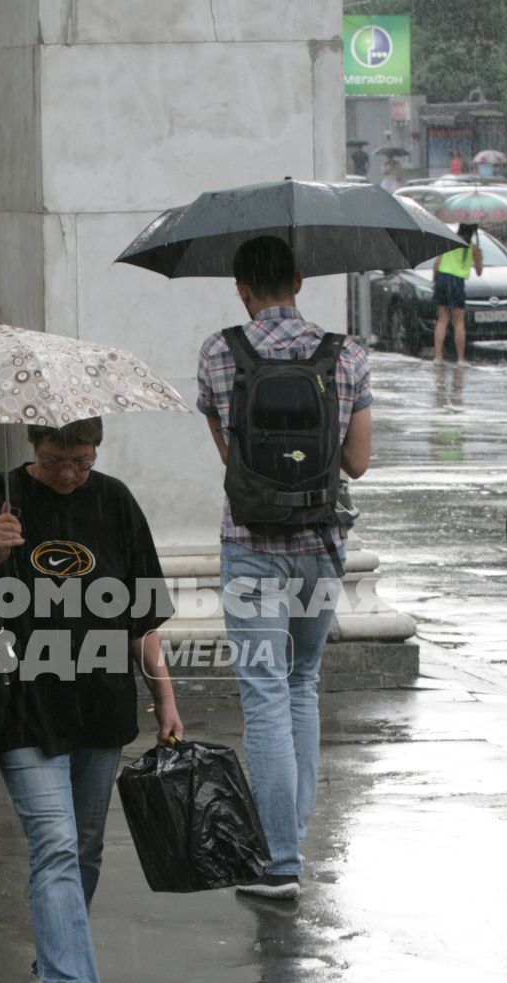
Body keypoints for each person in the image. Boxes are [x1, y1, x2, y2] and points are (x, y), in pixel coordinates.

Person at [0, 418, 183, 983]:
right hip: (20, 704)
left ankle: (54, 963)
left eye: (82, 460)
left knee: (87, 846)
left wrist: (165, 697)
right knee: (57, 845)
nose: (70, 473)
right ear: (34, 450)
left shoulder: (116, 500)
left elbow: (142, 614)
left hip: (100, 706)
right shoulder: (0, 496)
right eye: (57, 460)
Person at [196, 235, 374, 901]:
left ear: (242, 288)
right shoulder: (347, 355)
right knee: (302, 683)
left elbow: (229, 459)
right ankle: (289, 840)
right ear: (299, 280)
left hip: (250, 545)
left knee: (265, 693)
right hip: (321, 545)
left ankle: (279, 861)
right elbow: (357, 463)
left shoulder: (220, 353)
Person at [432, 222, 482, 365]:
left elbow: (437, 263)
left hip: (442, 279)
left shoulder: (448, 241)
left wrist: (434, 280)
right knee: (459, 322)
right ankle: (460, 358)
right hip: (457, 282)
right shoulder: (472, 248)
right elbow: (479, 272)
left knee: (442, 320)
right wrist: (478, 255)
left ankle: (438, 357)